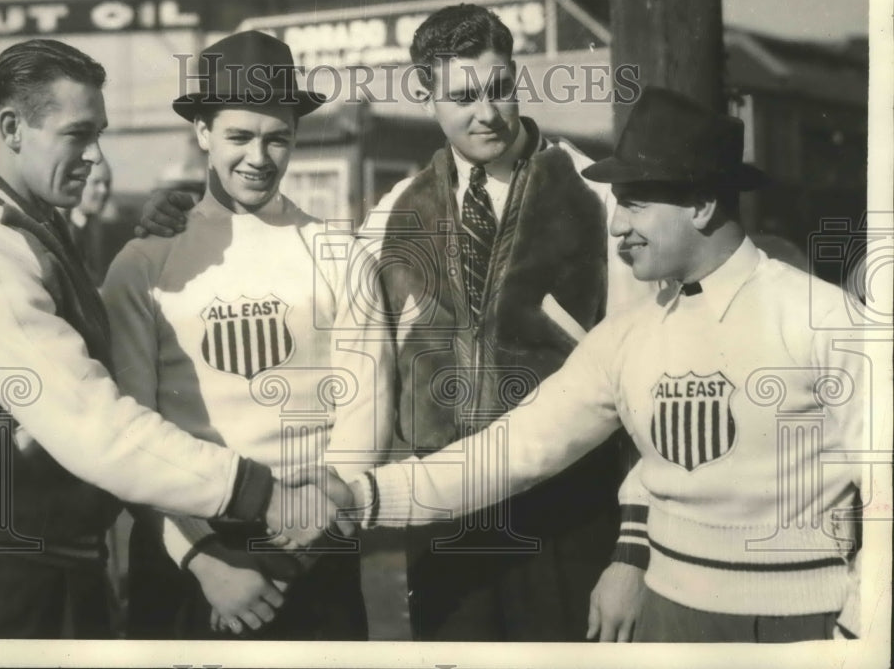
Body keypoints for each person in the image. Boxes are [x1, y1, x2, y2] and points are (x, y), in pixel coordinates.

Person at [139, 5, 652, 642]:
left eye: (498, 89)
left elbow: (648, 385)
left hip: (572, 516)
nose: (486, 114)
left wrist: (632, 551)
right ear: (424, 94)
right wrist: (184, 215)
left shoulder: (598, 200)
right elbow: (311, 299)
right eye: (462, 96)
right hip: (442, 523)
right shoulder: (393, 214)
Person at [328, 87, 864, 643]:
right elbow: (514, 450)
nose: (616, 226)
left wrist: (863, 625)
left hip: (804, 626)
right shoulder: (627, 336)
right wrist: (364, 496)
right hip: (667, 621)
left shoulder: (823, 318)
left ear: (702, 205)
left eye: (635, 204)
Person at [0, 39, 341, 639]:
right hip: (1, 573)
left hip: (49, 561)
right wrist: (257, 493)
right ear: (12, 127)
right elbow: (98, 426)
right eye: (77, 133)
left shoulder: (32, 229)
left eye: (101, 133)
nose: (96, 155)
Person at [101, 30, 393, 640]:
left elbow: (366, 410)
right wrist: (204, 561)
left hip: (316, 544)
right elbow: (128, 431)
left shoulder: (339, 253)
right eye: (238, 136)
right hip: (190, 555)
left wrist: (299, 556)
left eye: (277, 138)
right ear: (203, 132)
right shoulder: (142, 262)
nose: (259, 157)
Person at [65, 156, 114, 285]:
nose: (103, 190)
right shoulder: (62, 229)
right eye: (96, 183)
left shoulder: (97, 229)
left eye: (107, 183)